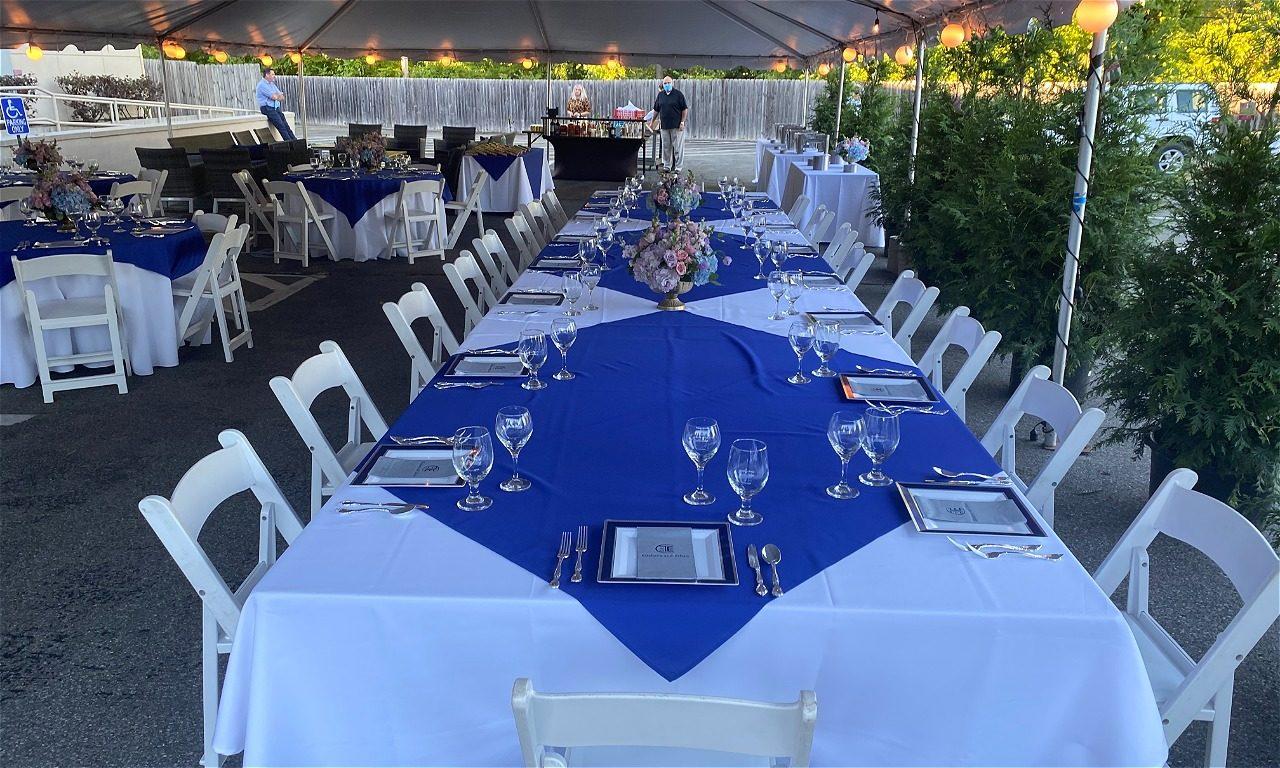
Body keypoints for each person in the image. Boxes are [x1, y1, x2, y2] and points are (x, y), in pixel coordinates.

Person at [650, 75, 688, 171]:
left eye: (669, 83)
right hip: (664, 126)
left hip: (676, 126)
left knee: (678, 148)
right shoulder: (660, 95)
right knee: (666, 148)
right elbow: (656, 109)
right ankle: (667, 166)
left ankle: (678, 167)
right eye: (665, 83)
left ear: (672, 83)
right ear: (663, 85)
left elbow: (684, 109)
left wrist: (682, 122)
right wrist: (652, 122)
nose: (667, 85)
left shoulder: (678, 95)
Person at [255, 68, 297, 141]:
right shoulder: (262, 85)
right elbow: (274, 97)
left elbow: (282, 97)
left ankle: (296, 142)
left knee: (286, 126)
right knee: (281, 126)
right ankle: (290, 143)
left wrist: (277, 96)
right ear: (267, 75)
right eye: (272, 74)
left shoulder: (272, 84)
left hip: (275, 108)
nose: (274, 76)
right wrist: (277, 95)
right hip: (267, 108)